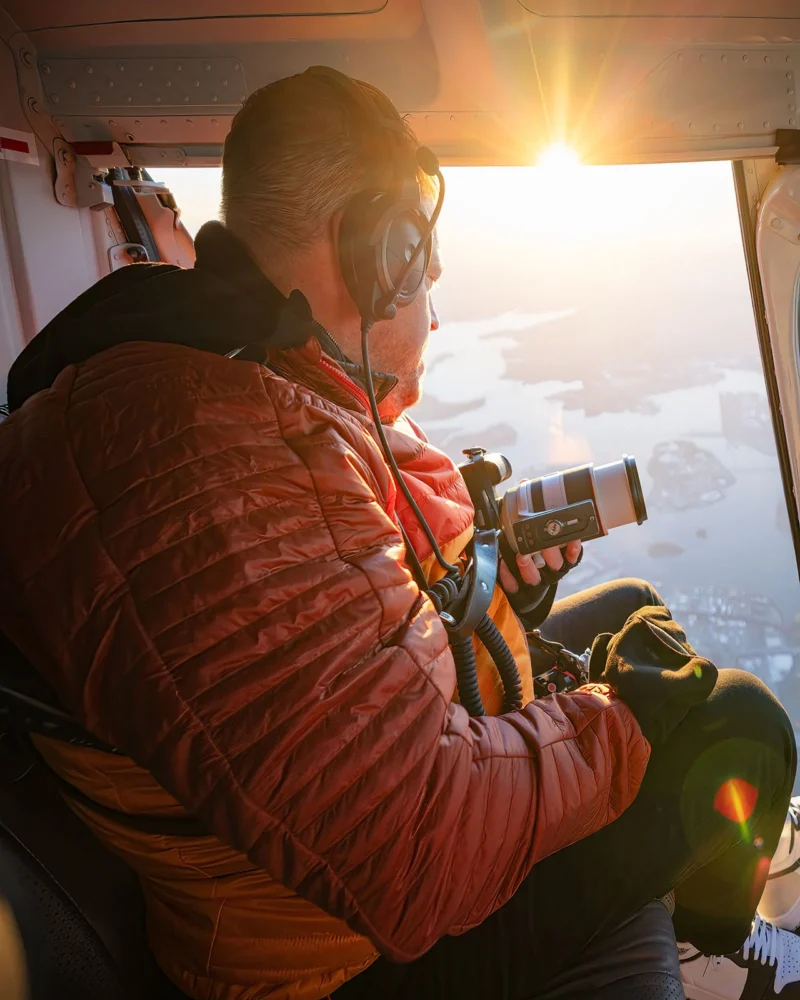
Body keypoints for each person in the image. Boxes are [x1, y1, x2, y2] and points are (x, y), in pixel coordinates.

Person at [0, 65, 796, 1000]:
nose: (430, 297)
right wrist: (621, 723)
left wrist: (513, 588)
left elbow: (352, 619)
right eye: (420, 265)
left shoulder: (238, 363)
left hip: (322, 864)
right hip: (336, 956)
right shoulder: (196, 456)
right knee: (739, 722)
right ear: (378, 252)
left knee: (634, 607)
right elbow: (423, 844)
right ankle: (716, 940)